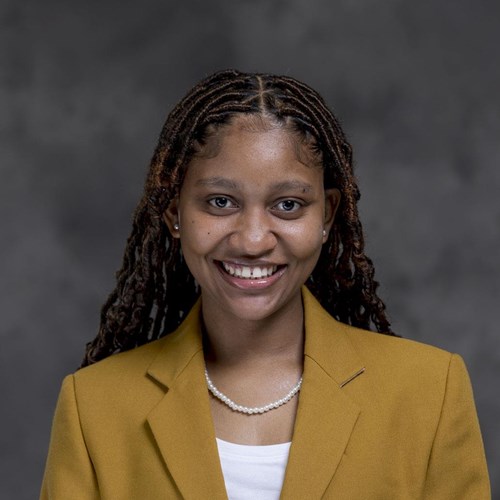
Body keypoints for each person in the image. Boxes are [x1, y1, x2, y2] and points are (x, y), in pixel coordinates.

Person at [41, 69, 490, 499]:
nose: (253, 240)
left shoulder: (429, 392)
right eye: (221, 202)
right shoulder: (93, 407)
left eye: (288, 205)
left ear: (327, 214)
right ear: (174, 213)